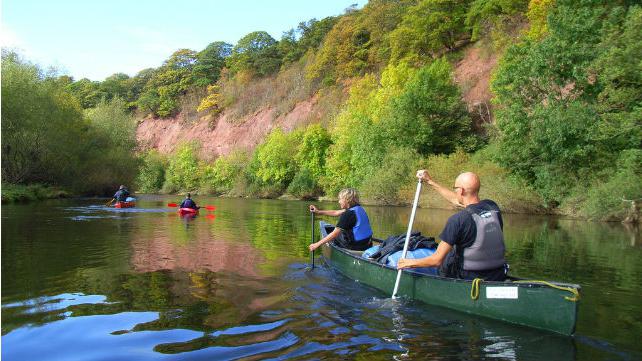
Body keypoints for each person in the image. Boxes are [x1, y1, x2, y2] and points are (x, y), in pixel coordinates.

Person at [397, 170, 507, 281]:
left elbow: (437, 260)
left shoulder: (457, 220)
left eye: (455, 188)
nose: (455, 191)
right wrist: (430, 181)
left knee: (448, 256)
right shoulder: (492, 207)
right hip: (497, 274)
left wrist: (409, 262)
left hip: (467, 278)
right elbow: (456, 200)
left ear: (461, 190)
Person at [309, 188, 373, 252]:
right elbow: (336, 212)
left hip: (355, 246)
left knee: (333, 236)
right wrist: (318, 212)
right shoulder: (359, 208)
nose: (339, 201)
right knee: (342, 232)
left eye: (340, 199)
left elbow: (335, 234)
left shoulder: (348, 214)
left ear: (347, 200)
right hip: (367, 243)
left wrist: (317, 244)